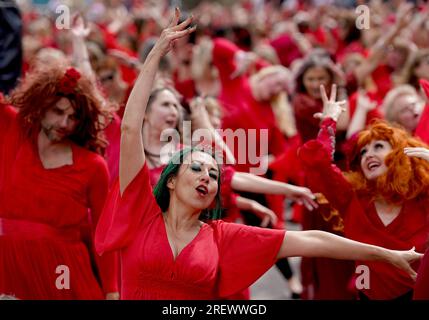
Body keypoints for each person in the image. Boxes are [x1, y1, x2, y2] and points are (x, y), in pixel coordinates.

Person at [95, 10, 422, 300]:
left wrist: (385, 255)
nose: (207, 177)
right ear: (170, 180)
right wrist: (156, 53)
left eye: (213, 175)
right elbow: (129, 129)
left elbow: (311, 241)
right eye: (197, 168)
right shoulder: (142, 210)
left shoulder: (221, 236)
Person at [299, 84, 429, 300]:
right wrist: (328, 122)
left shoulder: (422, 196)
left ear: (399, 155)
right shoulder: (351, 198)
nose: (368, 155)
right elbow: (316, 162)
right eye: (363, 152)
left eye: (378, 147)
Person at [0, 63, 118, 299]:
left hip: (64, 274)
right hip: (9, 265)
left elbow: (103, 235)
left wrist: (111, 291)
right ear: (41, 106)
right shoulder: (12, 129)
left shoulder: (93, 166)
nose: (65, 123)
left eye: (73, 116)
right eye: (58, 111)